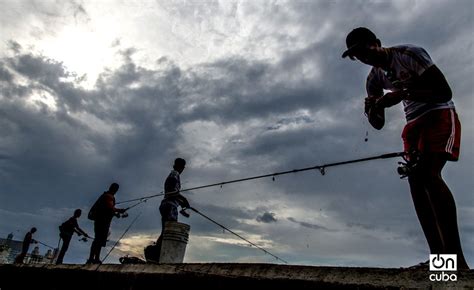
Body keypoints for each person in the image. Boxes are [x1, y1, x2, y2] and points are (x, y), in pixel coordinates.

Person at [342, 27, 469, 270]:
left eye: (366, 50)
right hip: (414, 124)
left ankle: (457, 262)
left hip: (439, 114)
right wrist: (372, 108)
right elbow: (377, 125)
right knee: (415, 182)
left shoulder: (410, 54)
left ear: (377, 42)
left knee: (428, 175)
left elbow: (444, 91)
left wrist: (401, 94)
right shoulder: (374, 79)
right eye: (358, 56)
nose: (364, 58)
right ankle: (440, 262)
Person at [145, 158, 190, 262]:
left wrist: (182, 202)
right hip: (169, 206)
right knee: (169, 232)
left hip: (168, 205)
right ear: (181, 167)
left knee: (166, 231)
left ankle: (156, 255)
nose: (183, 169)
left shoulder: (173, 174)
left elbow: (172, 193)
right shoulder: (174, 175)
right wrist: (184, 199)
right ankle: (156, 255)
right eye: (183, 167)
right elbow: (171, 191)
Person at [87, 183, 126, 264]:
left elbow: (108, 210)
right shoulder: (109, 196)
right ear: (115, 189)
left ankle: (94, 259)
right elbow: (110, 207)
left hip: (100, 221)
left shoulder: (105, 196)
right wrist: (120, 210)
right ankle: (93, 259)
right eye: (116, 189)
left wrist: (115, 214)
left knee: (99, 239)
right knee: (98, 239)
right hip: (102, 222)